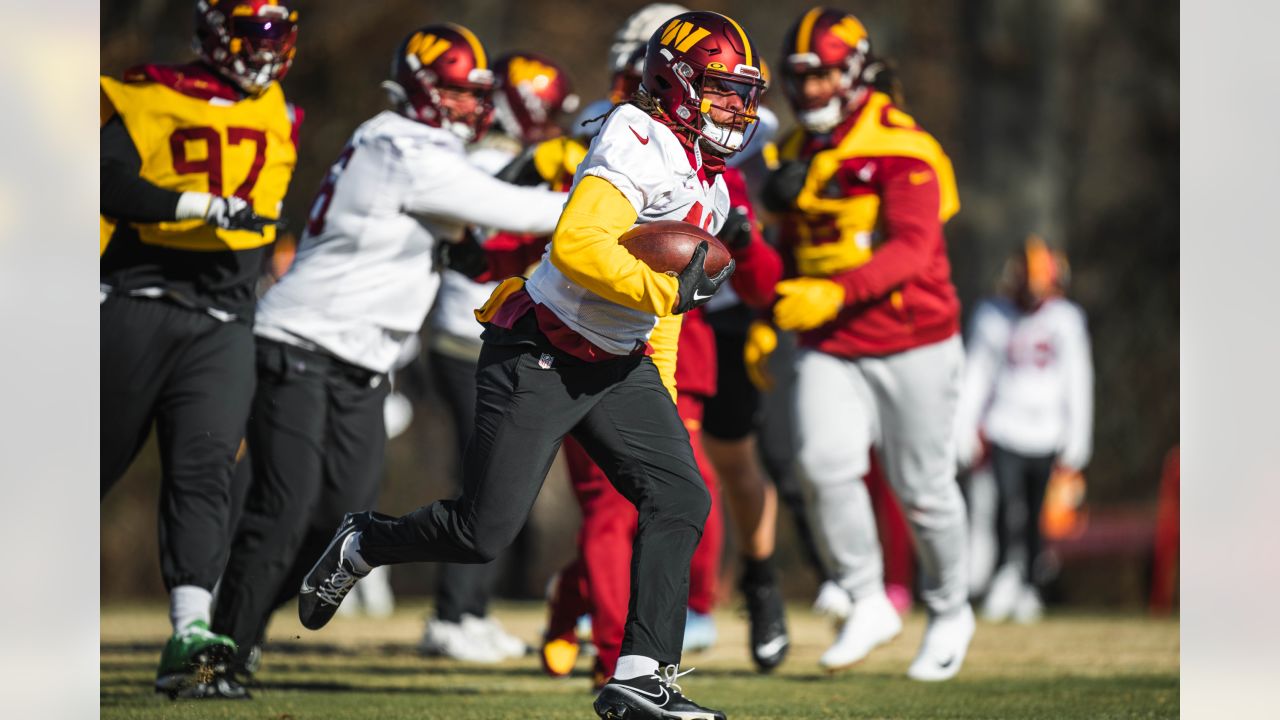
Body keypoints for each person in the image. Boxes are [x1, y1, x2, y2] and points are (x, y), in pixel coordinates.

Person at [298, 11, 764, 720]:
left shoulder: (716, 185)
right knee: (482, 532)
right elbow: (579, 244)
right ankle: (363, 542)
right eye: (722, 89)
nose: (738, 106)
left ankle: (640, 677)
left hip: (617, 359)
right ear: (676, 85)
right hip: (542, 347)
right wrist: (662, 287)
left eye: (743, 92)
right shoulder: (636, 135)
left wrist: (661, 393)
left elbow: (663, 315)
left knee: (681, 495)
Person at [207, 22, 567, 694]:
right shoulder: (402, 144)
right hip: (300, 341)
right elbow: (511, 208)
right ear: (423, 90)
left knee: (335, 524)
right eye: (456, 93)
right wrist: (610, 203)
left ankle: (238, 633)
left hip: (364, 362)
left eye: (475, 94)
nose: (470, 106)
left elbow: (474, 228)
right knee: (283, 509)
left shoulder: (418, 147)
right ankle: (217, 652)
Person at [755, 7, 973, 681]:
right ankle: (866, 595)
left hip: (914, 339)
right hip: (831, 341)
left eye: (821, 76)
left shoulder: (901, 143)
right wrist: (772, 314)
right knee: (821, 467)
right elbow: (790, 249)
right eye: (799, 78)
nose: (810, 90)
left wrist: (835, 293)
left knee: (924, 490)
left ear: (854, 71)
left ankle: (949, 608)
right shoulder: (792, 152)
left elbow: (915, 248)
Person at [99, 0, 300, 698]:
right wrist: (196, 205)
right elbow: (101, 180)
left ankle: (190, 633)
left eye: (279, 32)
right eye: (255, 32)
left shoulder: (278, 108)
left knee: (204, 473)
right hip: (138, 303)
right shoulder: (152, 94)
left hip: (222, 322)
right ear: (217, 34)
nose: (268, 47)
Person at [419, 50, 578, 664]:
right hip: (470, 332)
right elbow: (502, 229)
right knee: (487, 481)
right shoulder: (492, 161)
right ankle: (453, 614)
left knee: (497, 478)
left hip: (478, 329)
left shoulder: (503, 157)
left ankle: (472, 609)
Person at [954, 237, 1093, 623]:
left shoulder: (1066, 319)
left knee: (1036, 514)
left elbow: (1077, 380)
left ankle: (1029, 582)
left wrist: (1078, 436)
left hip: (1048, 431)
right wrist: (964, 427)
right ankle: (1003, 573)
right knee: (1003, 505)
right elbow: (976, 374)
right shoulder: (992, 315)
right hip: (1004, 427)